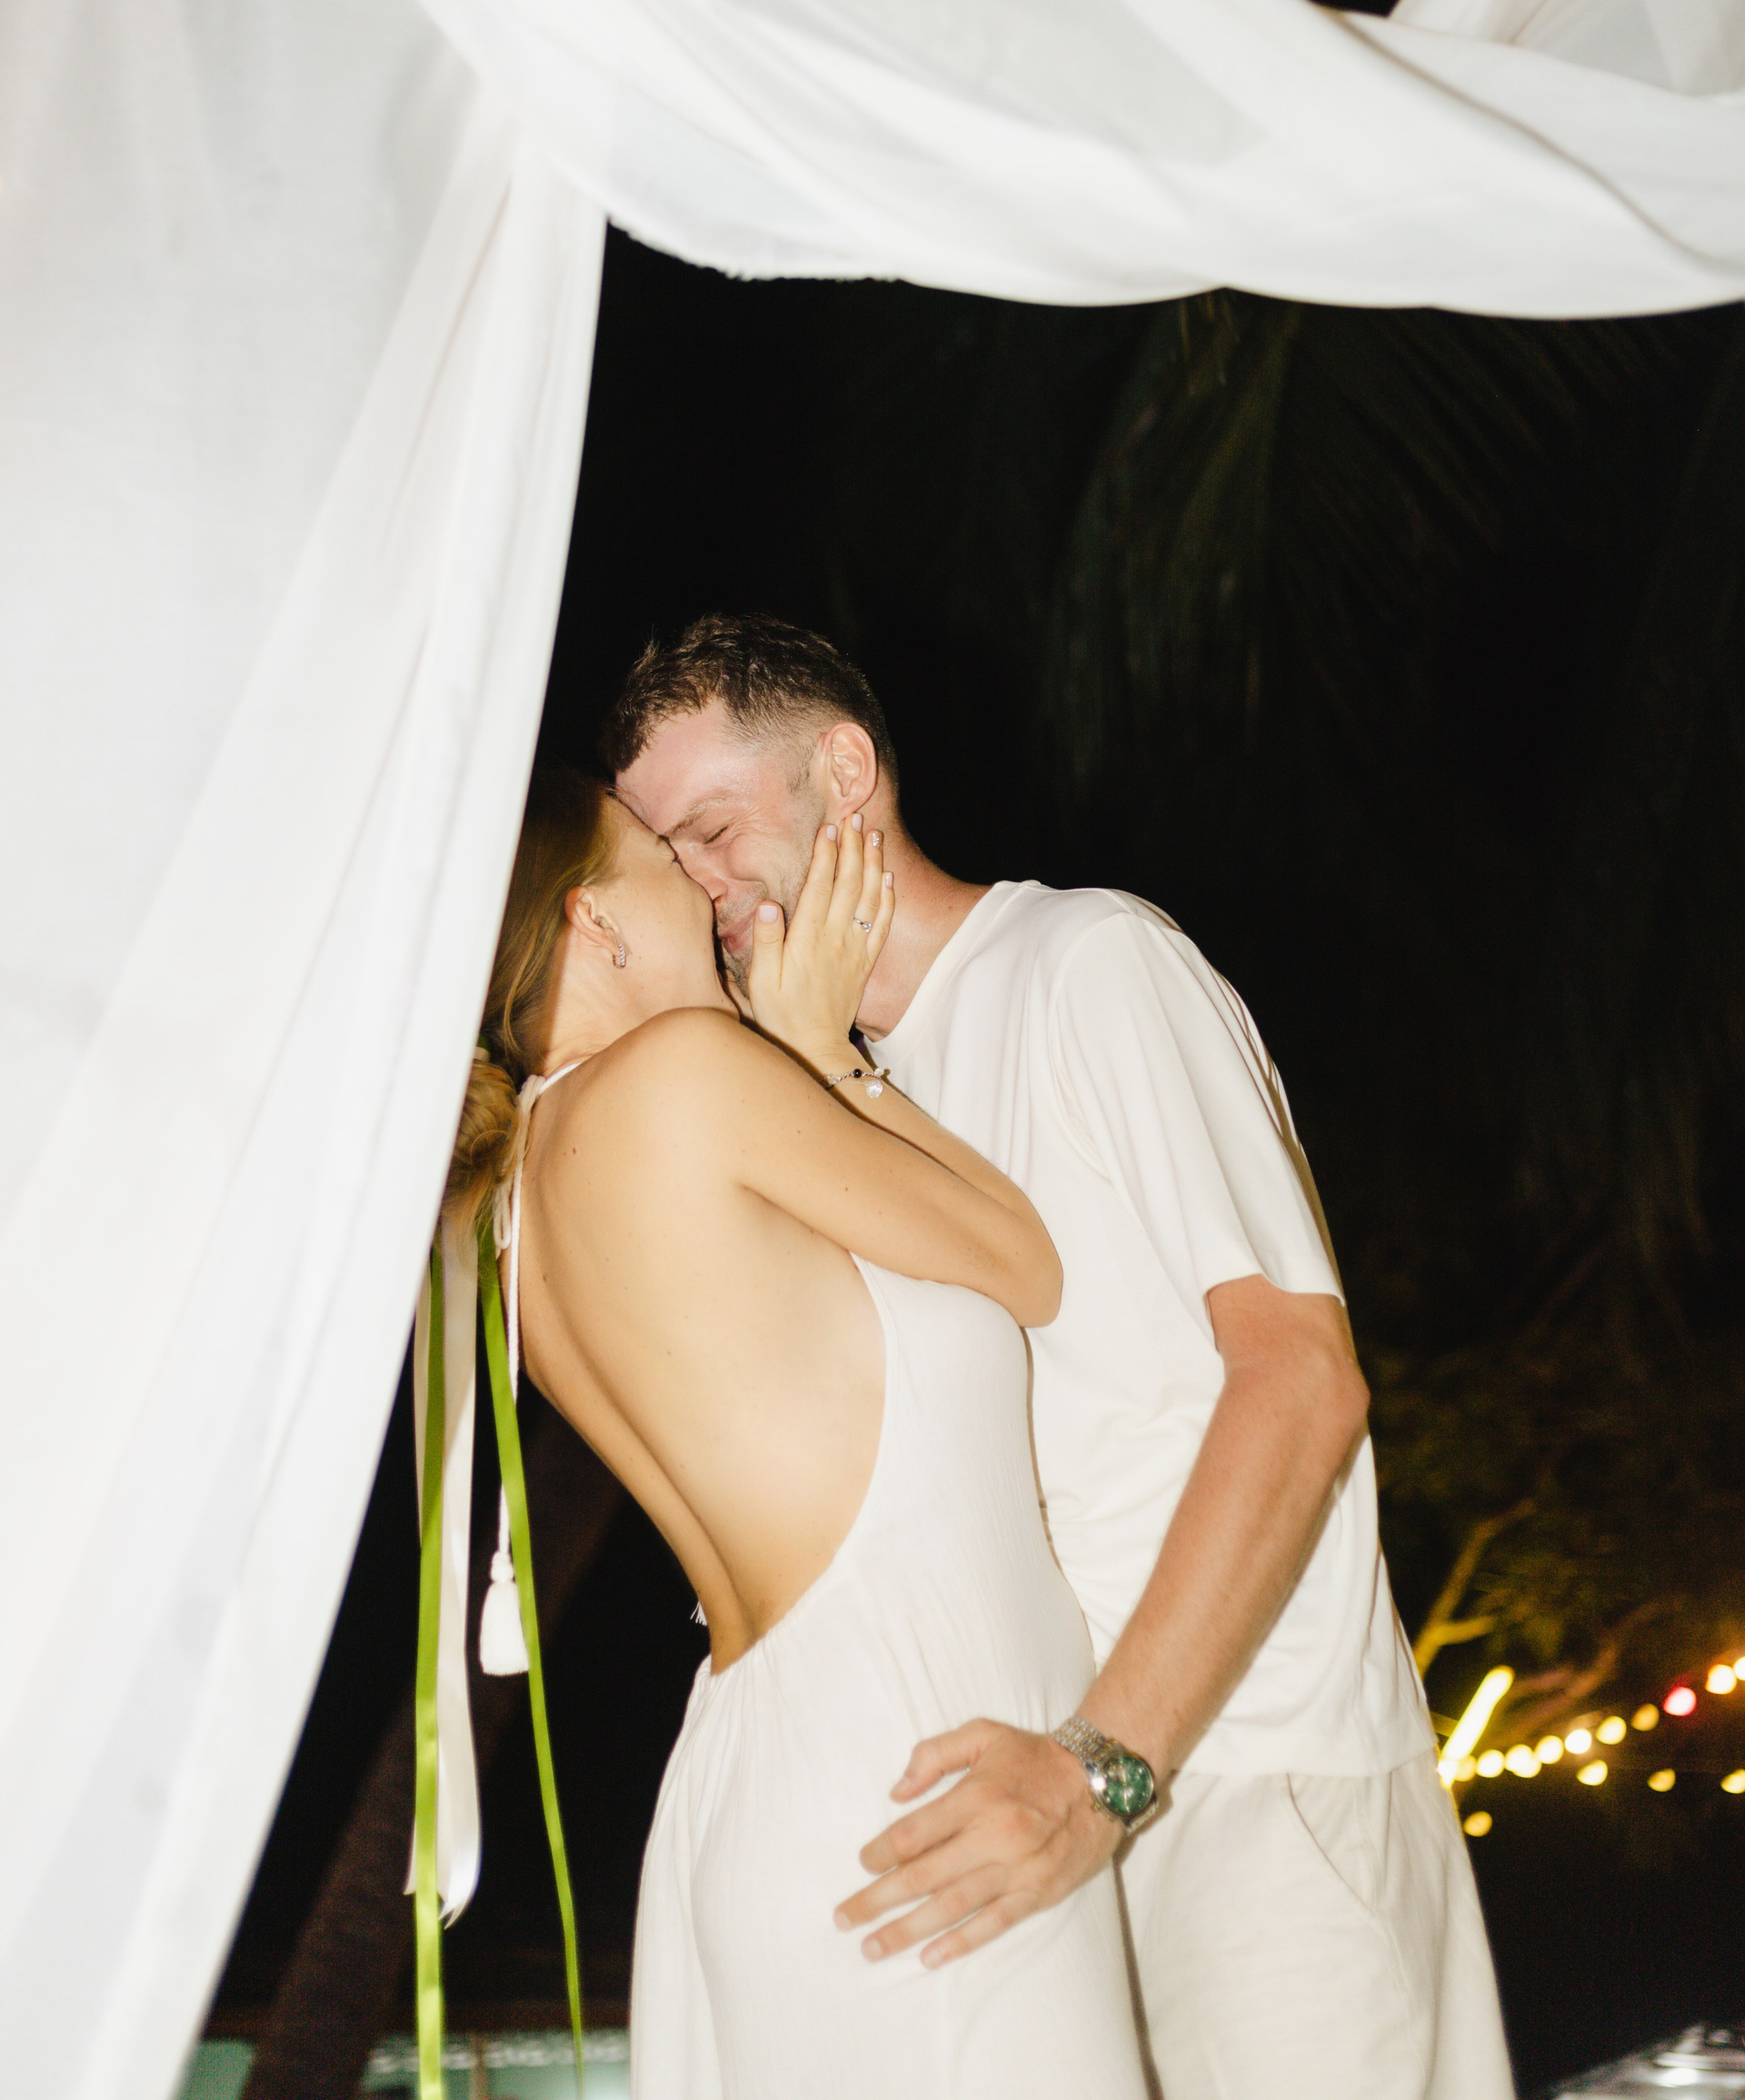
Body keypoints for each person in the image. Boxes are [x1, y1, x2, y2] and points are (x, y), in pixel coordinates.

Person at [607, 612, 1518, 2100]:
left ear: (847, 774)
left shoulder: (1089, 962)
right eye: (662, 856)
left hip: (1249, 1781)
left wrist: (1104, 1769)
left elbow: (1300, 1378)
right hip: (1042, 1815)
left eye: (711, 831)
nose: (695, 885)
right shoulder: (831, 1097)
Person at [446, 767, 1148, 2100]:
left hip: (762, 1781)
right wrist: (826, 1052)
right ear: (593, 919)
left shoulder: (513, 1209)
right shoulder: (689, 1075)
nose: (704, 887)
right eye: (667, 856)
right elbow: (1026, 1262)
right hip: (911, 1771)